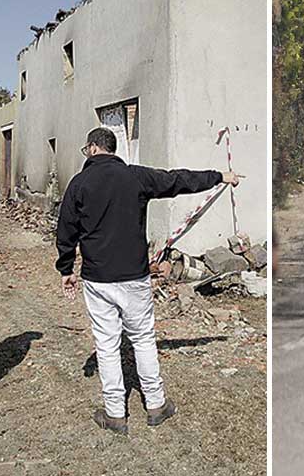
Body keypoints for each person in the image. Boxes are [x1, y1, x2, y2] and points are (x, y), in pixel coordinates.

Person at [56, 127, 241, 435]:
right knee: (142, 339)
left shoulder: (79, 184)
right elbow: (177, 180)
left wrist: (66, 270)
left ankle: (115, 413)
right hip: (134, 277)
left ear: (91, 148)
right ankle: (155, 405)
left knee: (106, 344)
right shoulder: (135, 176)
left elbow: (66, 232)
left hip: (97, 278)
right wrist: (220, 175)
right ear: (112, 149)